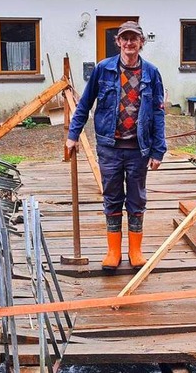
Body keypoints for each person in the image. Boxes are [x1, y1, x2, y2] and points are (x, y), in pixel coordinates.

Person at [67, 21, 167, 271]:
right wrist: (73, 134)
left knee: (136, 198)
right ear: (118, 42)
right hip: (109, 146)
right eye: (125, 38)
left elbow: (158, 113)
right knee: (112, 197)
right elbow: (84, 104)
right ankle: (113, 251)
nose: (129, 43)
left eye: (134, 38)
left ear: (141, 42)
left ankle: (135, 250)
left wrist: (158, 150)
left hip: (138, 148)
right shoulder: (103, 69)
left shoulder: (152, 73)